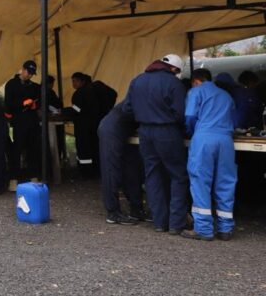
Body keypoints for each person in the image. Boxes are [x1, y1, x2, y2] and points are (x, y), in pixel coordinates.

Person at [123, 54, 189, 235]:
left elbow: (127, 108)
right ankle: (176, 223)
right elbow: (181, 113)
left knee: (152, 175)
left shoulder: (137, 80)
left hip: (145, 132)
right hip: (167, 132)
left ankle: (159, 223)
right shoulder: (174, 83)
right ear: (174, 69)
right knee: (178, 175)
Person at [182, 68, 237, 241]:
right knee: (226, 182)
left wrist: (191, 132)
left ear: (196, 80)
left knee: (200, 181)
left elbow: (190, 116)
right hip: (226, 140)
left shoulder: (196, 91)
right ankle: (225, 228)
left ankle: (204, 229)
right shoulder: (226, 95)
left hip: (204, 138)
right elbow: (235, 120)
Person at [98, 101, 149, 225]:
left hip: (125, 131)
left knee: (132, 170)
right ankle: (113, 212)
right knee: (111, 170)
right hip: (112, 130)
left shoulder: (140, 91)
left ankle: (136, 209)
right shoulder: (142, 94)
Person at [4, 60, 41, 190]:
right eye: (29, 72)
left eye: (32, 74)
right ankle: (13, 179)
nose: (30, 75)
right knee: (16, 150)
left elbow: (40, 101)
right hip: (19, 121)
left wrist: (35, 105)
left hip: (32, 121)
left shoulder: (35, 86)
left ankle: (34, 177)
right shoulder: (11, 84)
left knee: (33, 149)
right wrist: (22, 103)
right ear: (23, 70)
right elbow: (8, 104)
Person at [67, 72, 101, 177]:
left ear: (82, 81)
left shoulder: (80, 93)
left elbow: (77, 109)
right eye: (72, 81)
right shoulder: (93, 90)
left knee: (84, 149)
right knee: (94, 147)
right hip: (94, 124)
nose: (74, 84)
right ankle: (96, 170)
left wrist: (64, 112)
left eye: (76, 81)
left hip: (83, 126)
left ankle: (86, 172)